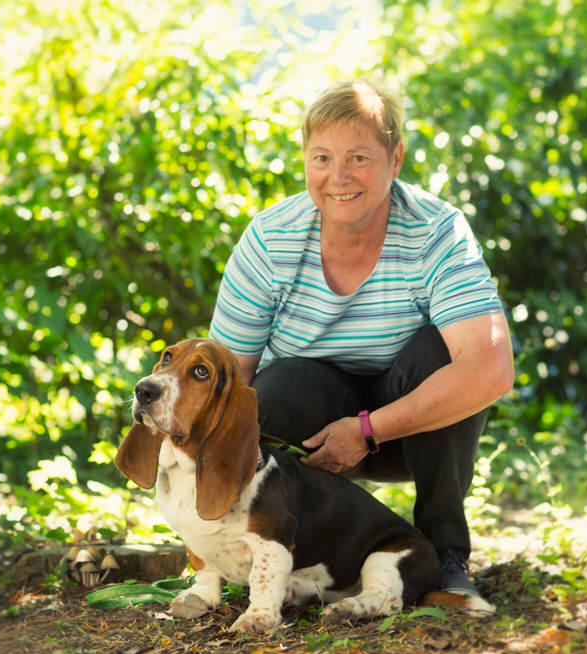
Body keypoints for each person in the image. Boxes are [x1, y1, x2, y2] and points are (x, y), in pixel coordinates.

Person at [208, 80, 513, 596]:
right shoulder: (270, 239)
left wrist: (367, 430)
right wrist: (206, 516)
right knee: (274, 386)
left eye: (359, 158)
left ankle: (444, 560)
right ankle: (292, 555)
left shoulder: (437, 231)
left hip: (411, 432)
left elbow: (490, 368)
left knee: (443, 353)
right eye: (322, 157)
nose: (339, 177)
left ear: (395, 160)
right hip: (312, 429)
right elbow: (225, 380)